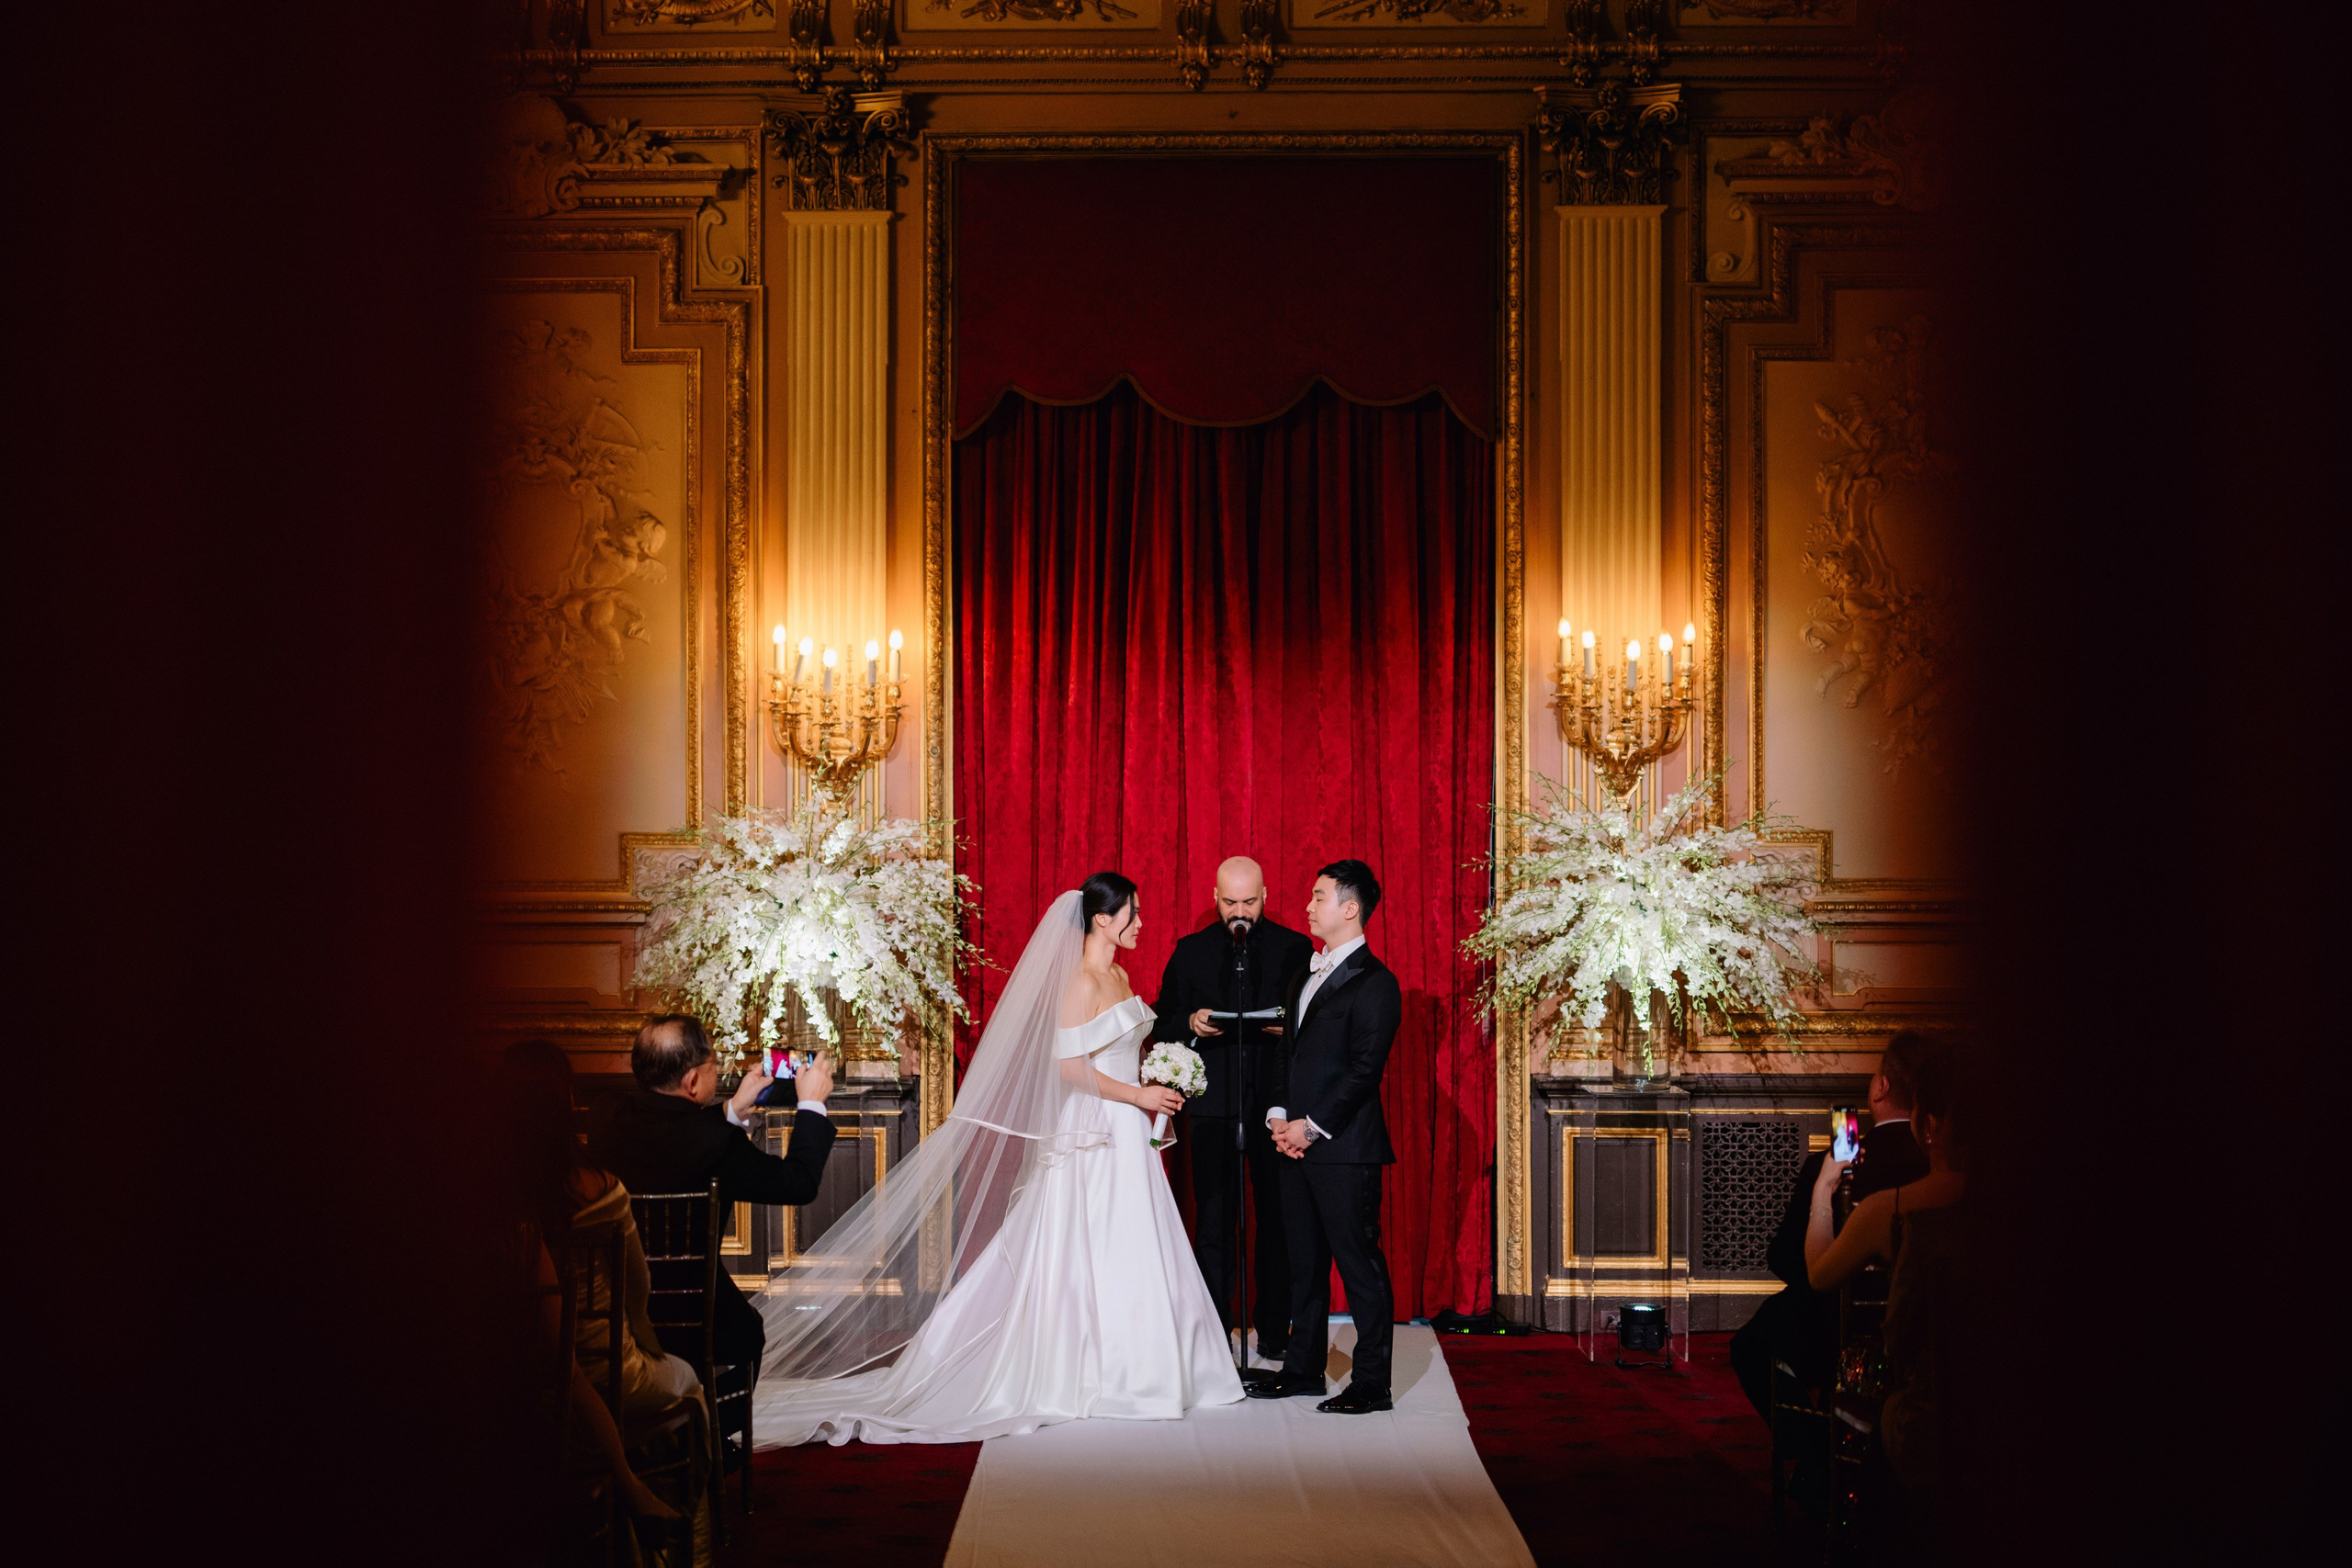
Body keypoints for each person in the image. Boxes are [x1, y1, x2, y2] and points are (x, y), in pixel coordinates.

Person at [750, 874, 1245, 1444]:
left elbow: (1119, 1049)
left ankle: (1149, 1367)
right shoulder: (1080, 981)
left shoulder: (1119, 973)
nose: (1142, 921)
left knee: (1135, 1240)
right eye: (1134, 912)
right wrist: (1137, 1095)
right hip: (1095, 1129)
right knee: (1091, 1240)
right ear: (1104, 919)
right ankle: (1096, 1370)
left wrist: (1156, 1080)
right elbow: (1066, 1069)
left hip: (1130, 1130)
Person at [501, 1038, 702, 1536]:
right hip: (603, 1371)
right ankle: (694, 1534)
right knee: (690, 1383)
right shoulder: (601, 1188)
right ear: (567, 1102)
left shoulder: (497, 1204)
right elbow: (637, 1288)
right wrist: (645, 1346)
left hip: (515, 1379)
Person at [585, 1015, 838, 1378]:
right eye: (714, 1065)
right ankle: (708, 1429)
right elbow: (797, 1183)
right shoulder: (720, 1145)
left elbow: (675, 1133)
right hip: (697, 1314)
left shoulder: (605, 1116)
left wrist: (732, 1109)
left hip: (616, 1307)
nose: (717, 1072)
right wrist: (811, 1104)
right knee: (750, 1334)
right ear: (691, 1081)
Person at [1247, 860, 1403, 1416]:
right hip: (1294, 1140)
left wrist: (1310, 1128)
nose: (1308, 907)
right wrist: (1278, 1116)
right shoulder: (1303, 974)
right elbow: (1288, 1054)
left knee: (1359, 1266)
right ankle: (1302, 1370)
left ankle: (1372, 1383)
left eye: (1318, 898)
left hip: (1344, 1148)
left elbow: (1364, 1071)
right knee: (1303, 1262)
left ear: (1349, 908)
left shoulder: (1377, 983)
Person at [1729, 1029, 1939, 1423]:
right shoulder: (1942, 1165)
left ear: (1881, 1086)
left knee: (1750, 1346)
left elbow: (1788, 1260)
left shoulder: (1833, 1165)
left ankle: (1813, 1447)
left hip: (1832, 1330)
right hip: (1930, 1328)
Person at [1149, 854, 1312, 1364]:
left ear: (1265, 896)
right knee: (1215, 1220)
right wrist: (1190, 1022)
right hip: (1213, 1104)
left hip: (1275, 1104)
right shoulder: (1192, 950)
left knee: (1277, 1220)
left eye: (1248, 901)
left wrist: (1288, 1025)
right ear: (1214, 898)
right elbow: (1163, 1021)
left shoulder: (1294, 948)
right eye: (1229, 902)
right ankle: (1216, 1328)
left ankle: (1273, 1330)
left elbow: (1316, 1023)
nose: (1239, 912)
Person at [1806, 1043, 1968, 1521]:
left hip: (1924, 1412)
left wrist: (1823, 1189)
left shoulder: (1890, 1209)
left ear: (1930, 1126)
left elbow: (1820, 1276)